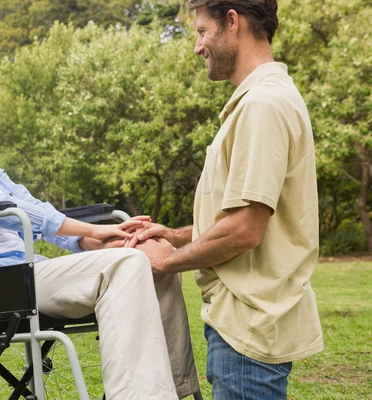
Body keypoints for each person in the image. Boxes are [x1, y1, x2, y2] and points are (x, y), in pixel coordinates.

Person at [0, 62, 199, 400]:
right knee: (127, 263)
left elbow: (33, 206)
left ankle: (177, 390)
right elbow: (12, 212)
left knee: (153, 260)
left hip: (25, 272)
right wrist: (95, 233)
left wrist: (99, 238)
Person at [126, 1, 323, 399]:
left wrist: (166, 260)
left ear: (232, 22)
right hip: (244, 324)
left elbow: (245, 230)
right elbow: (243, 217)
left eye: (201, 31)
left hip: (247, 329)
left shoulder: (262, 105)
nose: (198, 46)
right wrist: (178, 235)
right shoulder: (262, 99)